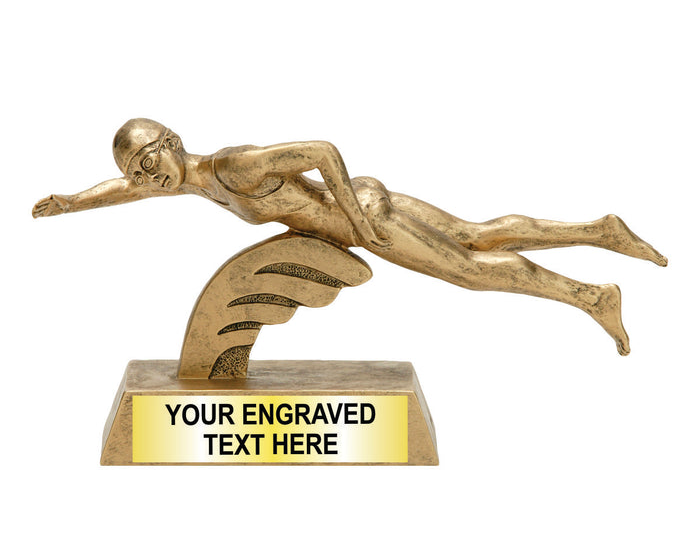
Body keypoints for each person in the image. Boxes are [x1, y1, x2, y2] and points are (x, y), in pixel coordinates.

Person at [32, 118, 667, 354]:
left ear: (172, 142)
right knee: (476, 235)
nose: (149, 179)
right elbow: (123, 191)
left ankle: (591, 297)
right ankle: (599, 230)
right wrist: (70, 202)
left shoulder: (233, 168)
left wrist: (359, 226)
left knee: (471, 270)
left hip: (365, 217)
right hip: (364, 204)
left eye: (150, 162)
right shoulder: (189, 182)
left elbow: (320, 149)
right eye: (139, 173)